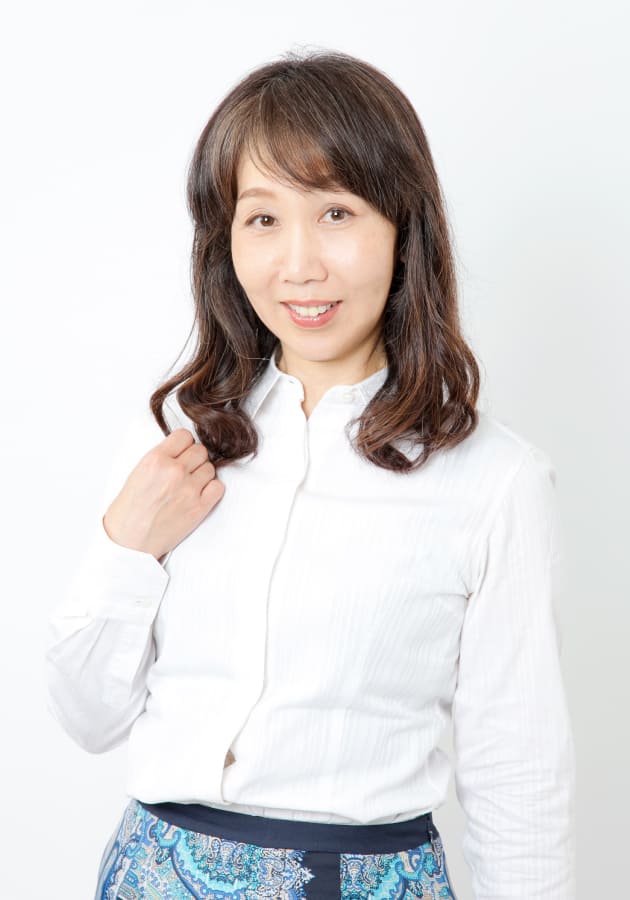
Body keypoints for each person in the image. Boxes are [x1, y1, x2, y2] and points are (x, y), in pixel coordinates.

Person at [45, 48, 575, 899]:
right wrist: (128, 547)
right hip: (151, 875)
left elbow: (520, 779)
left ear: (403, 229)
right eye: (262, 218)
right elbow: (87, 718)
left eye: (335, 212)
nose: (298, 265)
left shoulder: (494, 480)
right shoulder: (175, 440)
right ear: (225, 239)